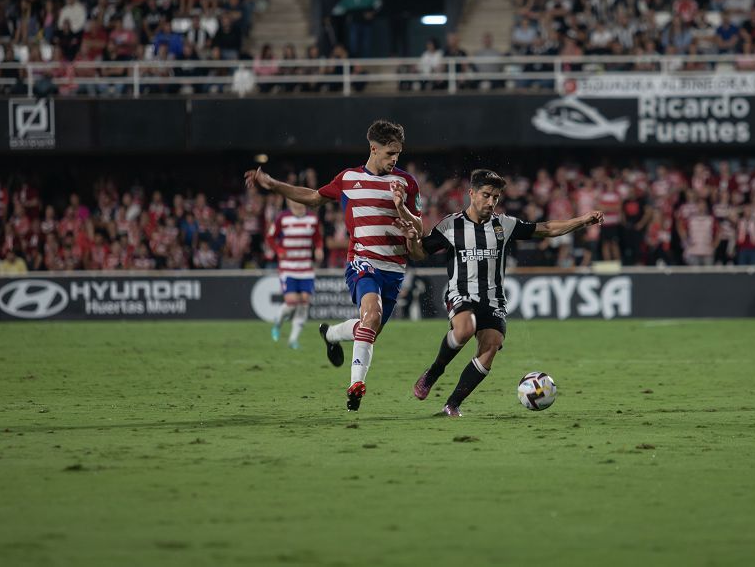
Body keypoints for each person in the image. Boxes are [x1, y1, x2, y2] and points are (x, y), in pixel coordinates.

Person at [397, 169, 603, 417]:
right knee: (465, 328)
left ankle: (452, 404)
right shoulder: (451, 225)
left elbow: (546, 228)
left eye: (495, 197)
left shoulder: (504, 224)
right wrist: (411, 241)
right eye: (486, 195)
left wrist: (582, 220)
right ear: (471, 194)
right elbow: (420, 254)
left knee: (491, 346)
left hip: (493, 299)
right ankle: (434, 371)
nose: (491, 202)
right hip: (461, 293)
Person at [244, 120, 420, 411]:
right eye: (390, 153)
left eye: (398, 154)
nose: (394, 159)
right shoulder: (348, 179)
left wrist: (404, 213)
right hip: (362, 261)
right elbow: (313, 198)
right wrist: (274, 185)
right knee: (371, 315)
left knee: (370, 327)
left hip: (394, 268)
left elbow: (419, 227)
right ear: (373, 149)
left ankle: (330, 334)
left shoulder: (406, 183)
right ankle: (355, 385)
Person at [265, 198, 323, 349]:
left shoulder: (312, 218)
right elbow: (270, 237)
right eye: (292, 200)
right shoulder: (282, 218)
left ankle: (293, 339)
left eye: (298, 199)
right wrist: (279, 250)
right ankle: (278, 322)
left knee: (304, 301)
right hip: (288, 266)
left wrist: (318, 249)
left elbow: (318, 239)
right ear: (289, 203)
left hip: (305, 267)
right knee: (291, 302)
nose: (295, 203)